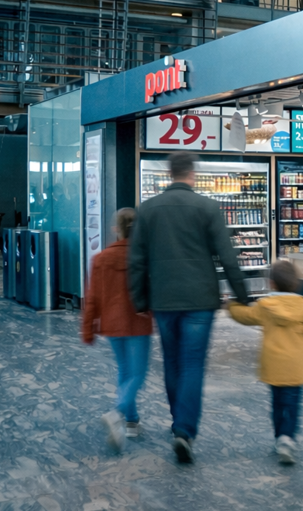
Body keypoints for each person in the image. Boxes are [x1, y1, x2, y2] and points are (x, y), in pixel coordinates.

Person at [129, 151, 250, 463]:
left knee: (173, 363)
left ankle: (177, 423)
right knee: (193, 364)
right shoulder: (207, 207)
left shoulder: (149, 209)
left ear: (170, 173)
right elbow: (228, 255)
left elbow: (137, 261)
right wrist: (243, 295)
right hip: (201, 300)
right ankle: (184, 430)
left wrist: (140, 300)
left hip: (164, 300)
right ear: (191, 174)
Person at [227, 260, 303, 464]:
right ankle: (287, 438)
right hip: (297, 367)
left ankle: (279, 436)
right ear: (297, 283)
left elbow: (246, 316)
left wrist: (231, 305)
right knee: (292, 404)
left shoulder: (265, 306)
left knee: (277, 403)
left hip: (274, 367)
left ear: (271, 283)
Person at [82, 208, 152, 452]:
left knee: (125, 370)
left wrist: (88, 328)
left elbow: (91, 298)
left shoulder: (100, 259)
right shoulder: (144, 257)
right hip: (139, 321)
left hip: (112, 324)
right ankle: (118, 412)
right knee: (138, 374)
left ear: (115, 229)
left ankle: (132, 422)